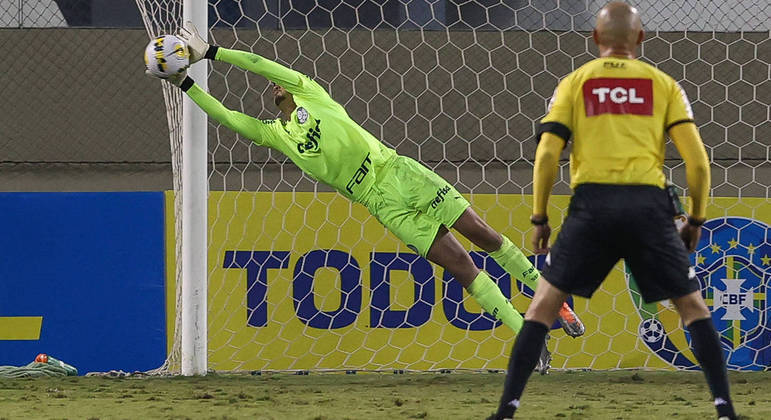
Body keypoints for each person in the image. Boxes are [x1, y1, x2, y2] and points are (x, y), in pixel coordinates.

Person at [146, 23, 586, 372]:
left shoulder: (310, 92)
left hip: (398, 171)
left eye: (280, 85)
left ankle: (556, 304)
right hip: (378, 201)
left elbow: (261, 64)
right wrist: (186, 83)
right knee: (461, 266)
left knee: (484, 235)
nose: (275, 87)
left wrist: (211, 53)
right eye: (273, 90)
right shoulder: (275, 135)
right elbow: (226, 115)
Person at [488, 2, 737, 419]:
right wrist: (695, 218)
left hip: (592, 207)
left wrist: (539, 217)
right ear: (640, 38)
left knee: (543, 305)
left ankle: (507, 411)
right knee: (692, 306)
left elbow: (548, 153)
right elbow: (697, 162)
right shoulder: (664, 85)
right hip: (649, 208)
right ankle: (725, 409)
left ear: (595, 39)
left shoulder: (575, 83)